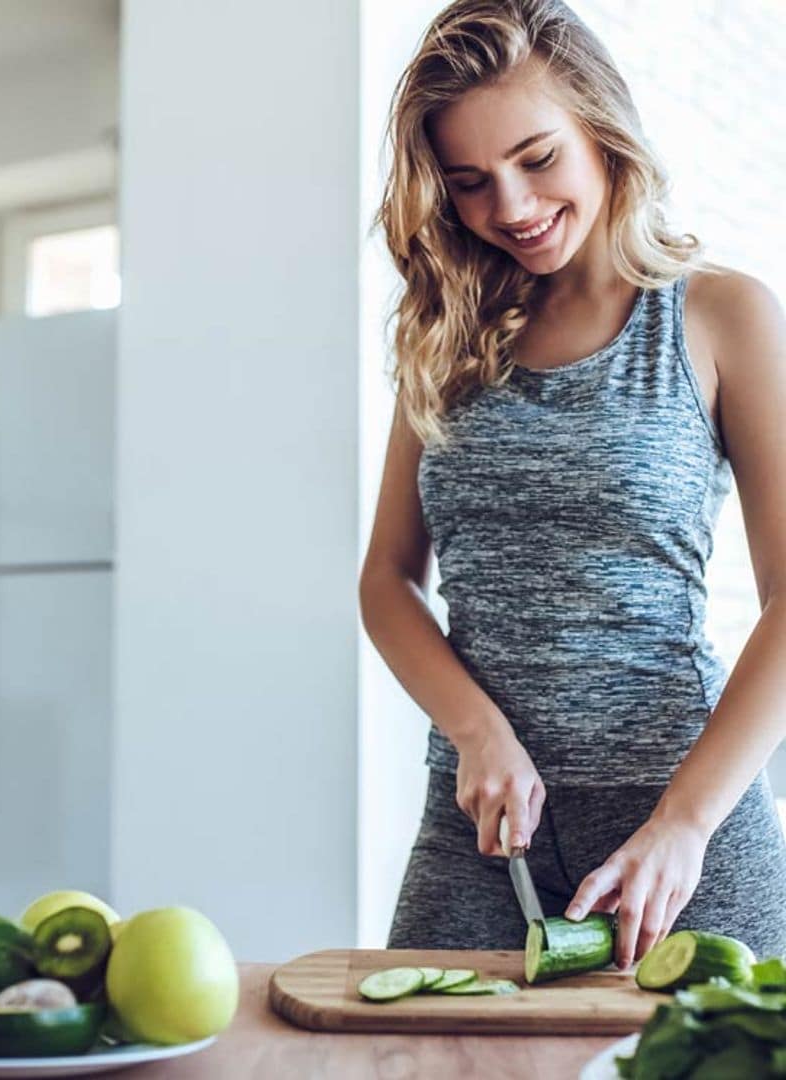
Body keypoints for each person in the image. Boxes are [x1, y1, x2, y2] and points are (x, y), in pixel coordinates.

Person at [359, 0, 786, 970]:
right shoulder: (443, 339)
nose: (507, 206)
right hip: (481, 838)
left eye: (537, 157)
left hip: (684, 830)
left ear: (602, 129)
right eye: (469, 183)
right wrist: (475, 730)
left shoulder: (721, 317)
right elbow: (386, 580)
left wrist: (686, 822)